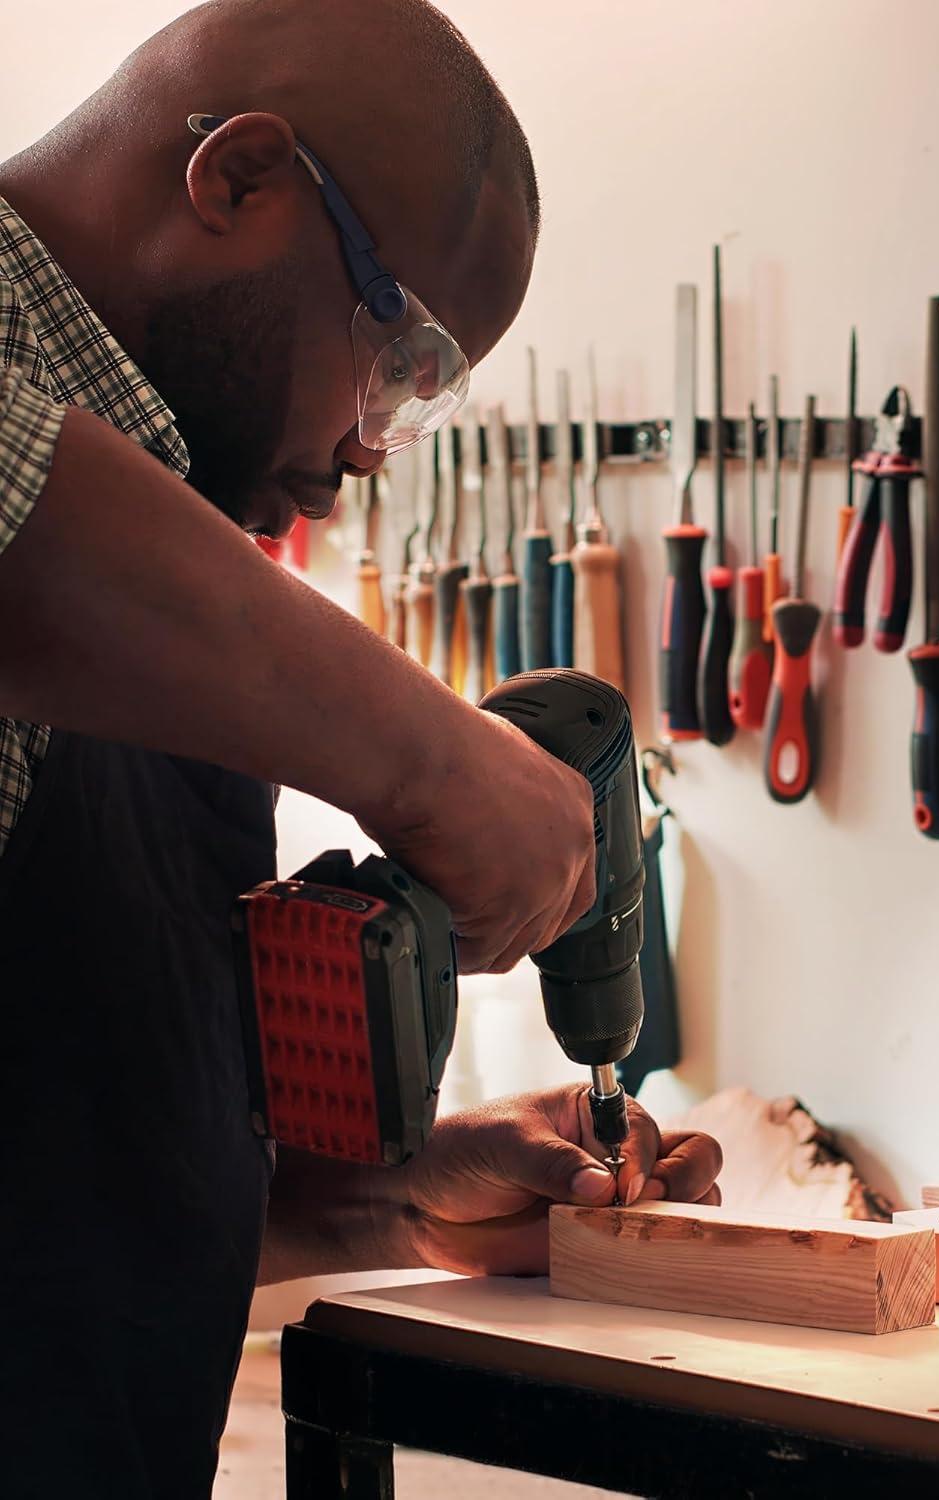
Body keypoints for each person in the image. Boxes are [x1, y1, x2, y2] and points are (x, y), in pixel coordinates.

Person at [0, 2, 721, 1493]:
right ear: (240, 177)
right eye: (395, 357)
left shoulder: (171, 585)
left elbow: (64, 1185)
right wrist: (433, 761)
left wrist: (390, 1201)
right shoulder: (90, 540)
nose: (366, 452)